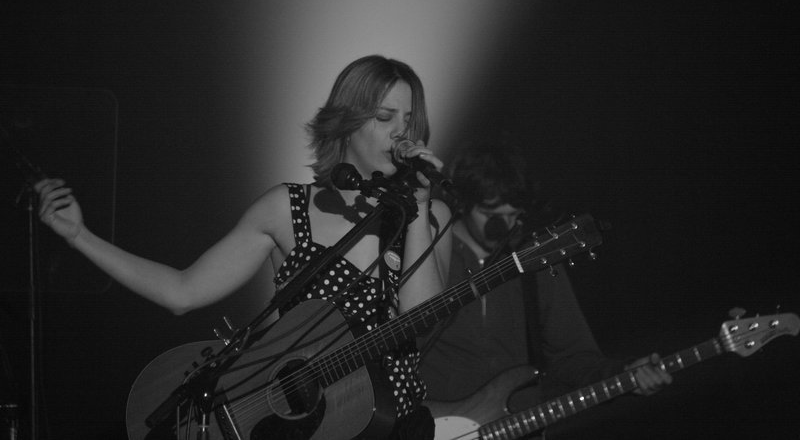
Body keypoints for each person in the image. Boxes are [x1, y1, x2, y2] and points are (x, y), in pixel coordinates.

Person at [34, 55, 452, 440]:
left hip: (396, 424)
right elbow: (181, 291)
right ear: (347, 121)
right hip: (311, 428)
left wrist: (417, 207)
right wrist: (80, 236)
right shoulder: (289, 208)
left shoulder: (431, 216)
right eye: (384, 117)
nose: (401, 133)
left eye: (409, 119)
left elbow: (420, 321)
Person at [419, 139, 671, 438]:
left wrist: (623, 374)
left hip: (513, 428)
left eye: (514, 215)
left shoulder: (535, 260)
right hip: (431, 427)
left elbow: (572, 356)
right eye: (490, 214)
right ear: (463, 203)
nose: (504, 226)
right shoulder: (428, 253)